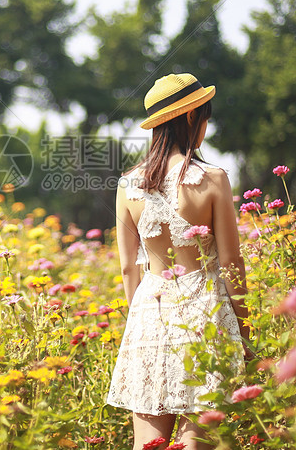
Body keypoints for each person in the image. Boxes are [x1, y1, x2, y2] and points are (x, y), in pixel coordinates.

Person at [106, 73, 252, 450]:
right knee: (197, 440)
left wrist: (140, 322)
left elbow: (127, 267)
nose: (206, 125)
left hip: (150, 315)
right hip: (206, 311)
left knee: (148, 445)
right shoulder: (213, 179)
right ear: (191, 119)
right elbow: (232, 260)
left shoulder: (127, 185)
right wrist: (245, 330)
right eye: (205, 116)